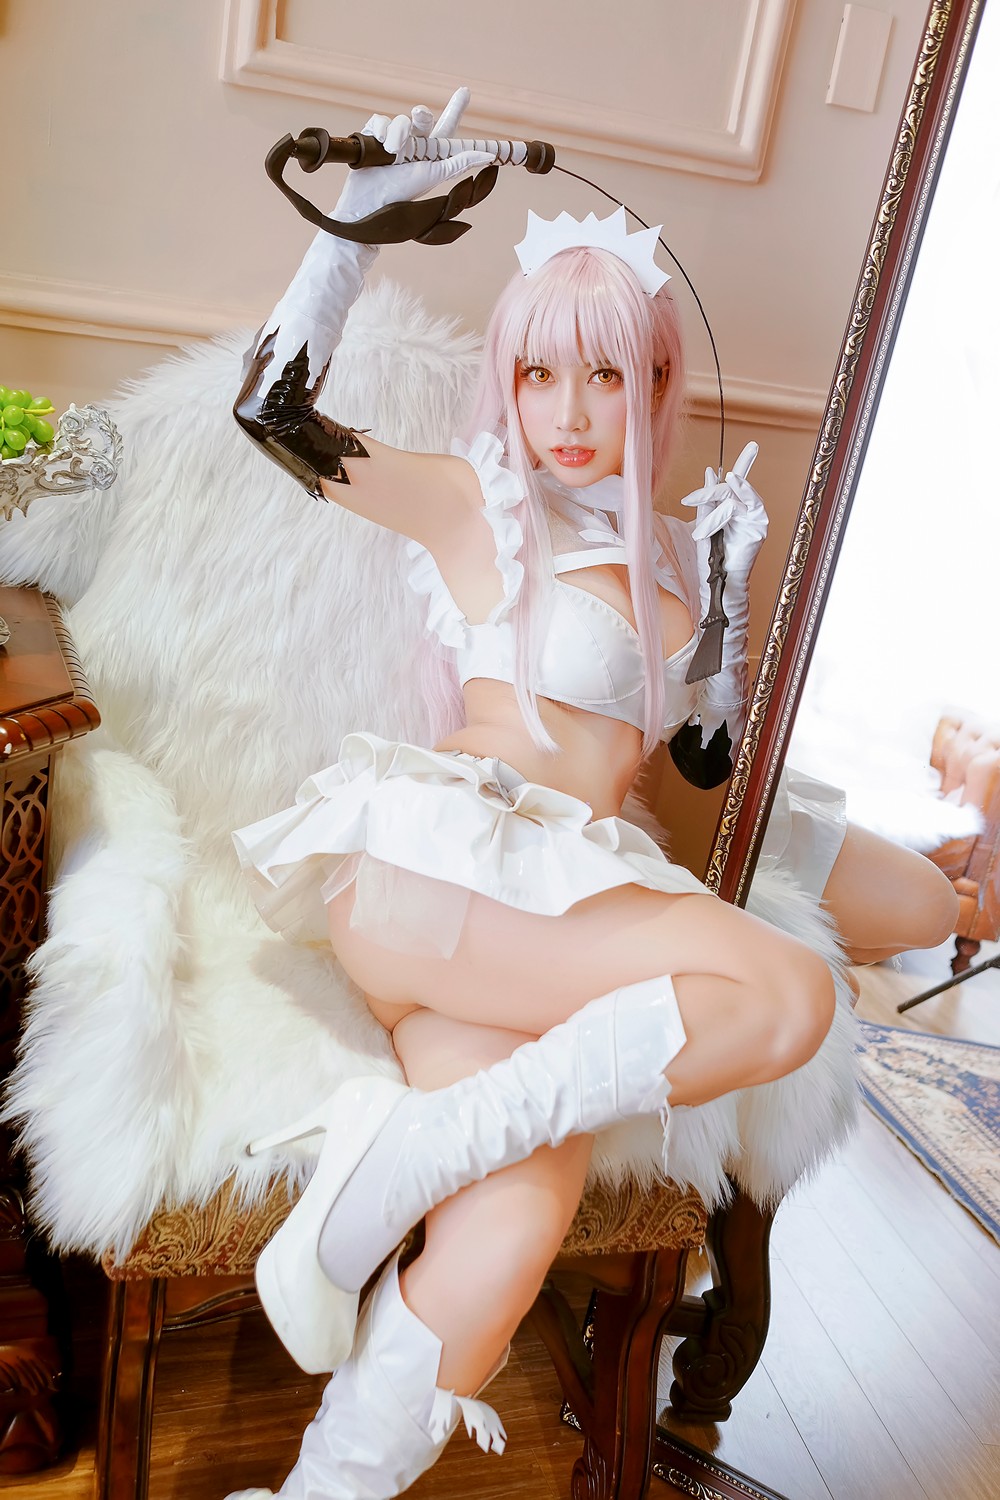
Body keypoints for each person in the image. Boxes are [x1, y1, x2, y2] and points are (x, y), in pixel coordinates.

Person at [226, 90, 837, 1500]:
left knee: (518, 1214)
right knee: (790, 995)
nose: (565, 414)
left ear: (655, 383)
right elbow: (271, 411)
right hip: (447, 877)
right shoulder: (478, 503)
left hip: (518, 950)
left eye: (604, 377)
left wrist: (727, 605)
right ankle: (400, 1159)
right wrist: (358, 228)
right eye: (539, 373)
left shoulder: (674, 553)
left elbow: (698, 768)